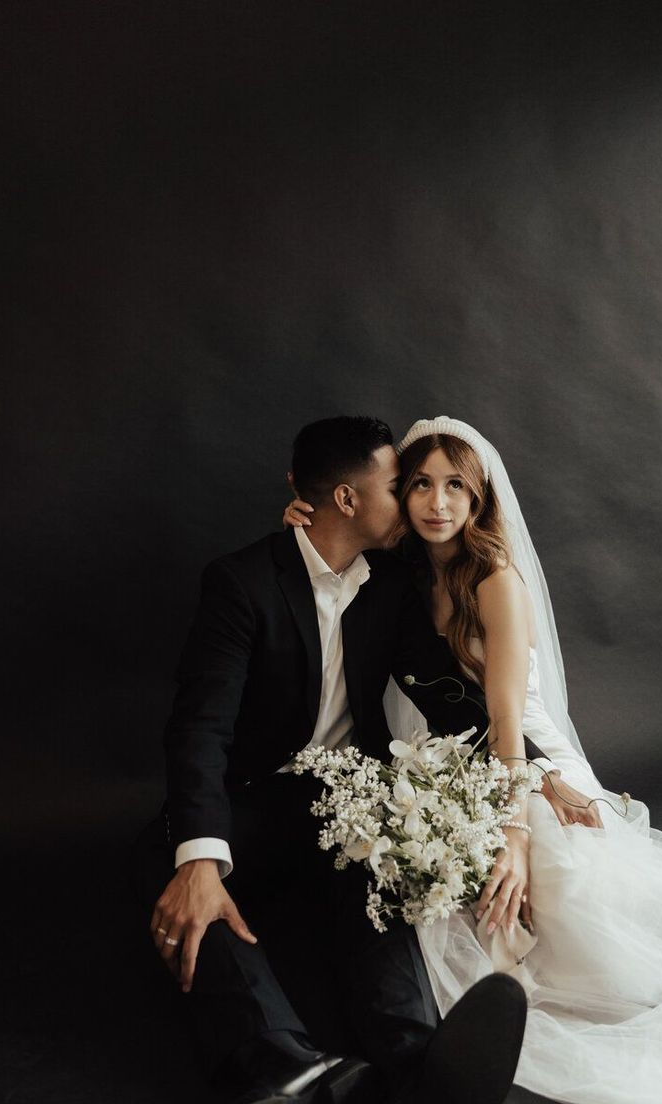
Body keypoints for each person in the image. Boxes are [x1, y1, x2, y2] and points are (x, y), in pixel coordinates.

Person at [284, 415, 662, 1104]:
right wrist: (300, 519)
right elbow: (334, 550)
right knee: (435, 905)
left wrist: (516, 829)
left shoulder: (492, 580)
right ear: (400, 497)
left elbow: (503, 720)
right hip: (449, 766)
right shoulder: (397, 573)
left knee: (585, 928)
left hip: (523, 757)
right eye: (422, 486)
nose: (438, 504)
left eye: (456, 487)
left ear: (480, 498)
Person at [134, 416, 555, 1104]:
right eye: (402, 485)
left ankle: (423, 1070)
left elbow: (450, 698)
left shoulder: (391, 583)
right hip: (251, 802)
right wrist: (203, 861)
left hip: (346, 802)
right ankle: (284, 1071)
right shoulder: (242, 583)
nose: (420, 502)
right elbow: (198, 730)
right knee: (174, 867)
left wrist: (540, 775)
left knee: (379, 873)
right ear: (349, 501)